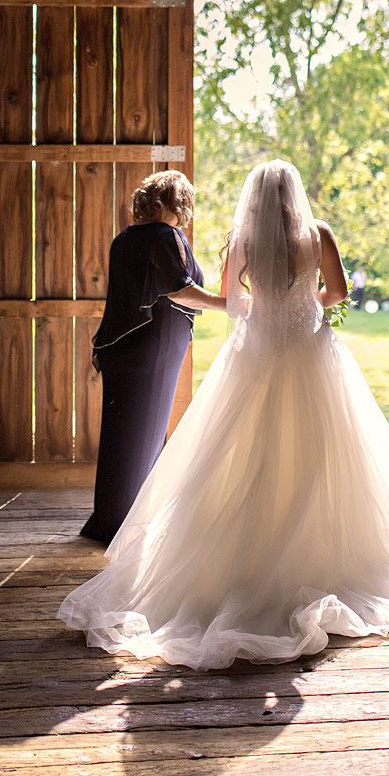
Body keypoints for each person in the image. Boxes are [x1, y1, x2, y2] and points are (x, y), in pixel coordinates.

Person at [59, 159, 389, 668]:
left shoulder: (245, 240)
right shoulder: (319, 233)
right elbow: (339, 294)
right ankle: (321, 560)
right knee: (319, 455)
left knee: (240, 457)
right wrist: (308, 303)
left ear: (254, 200)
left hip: (257, 354)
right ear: (295, 194)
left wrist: (265, 311)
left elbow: (235, 302)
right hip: (310, 353)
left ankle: (233, 566)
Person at [80, 170, 227, 545]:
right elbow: (180, 289)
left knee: (123, 435)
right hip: (152, 347)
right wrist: (230, 306)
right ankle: (122, 523)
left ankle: (112, 517)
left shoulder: (124, 238)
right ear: (179, 204)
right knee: (142, 433)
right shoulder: (166, 236)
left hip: (124, 346)